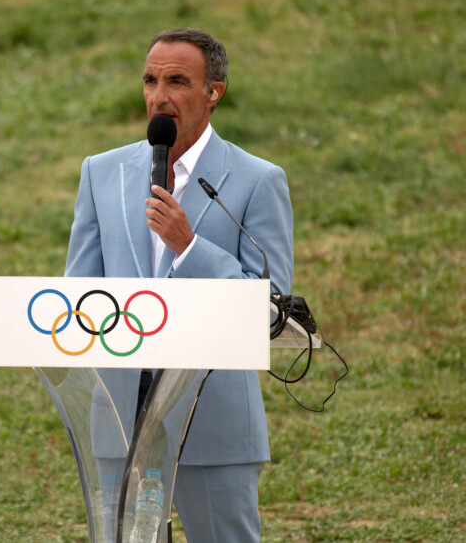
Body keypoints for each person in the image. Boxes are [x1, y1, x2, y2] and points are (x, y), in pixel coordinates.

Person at [65, 28, 294, 542]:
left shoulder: (257, 179)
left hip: (211, 419)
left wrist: (189, 247)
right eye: (150, 79)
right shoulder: (102, 174)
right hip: (119, 415)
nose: (158, 95)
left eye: (177, 80)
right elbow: (80, 293)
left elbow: (270, 304)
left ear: (214, 92)